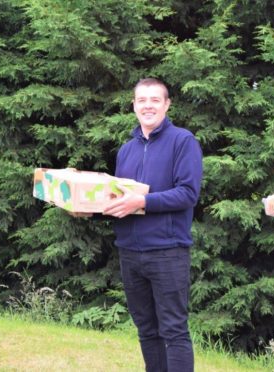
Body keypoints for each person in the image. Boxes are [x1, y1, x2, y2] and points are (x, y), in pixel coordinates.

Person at [102, 78, 203, 372]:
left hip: (167, 251)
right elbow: (120, 201)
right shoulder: (126, 150)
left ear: (167, 105)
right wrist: (86, 210)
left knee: (173, 330)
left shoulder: (183, 141)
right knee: (146, 329)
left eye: (155, 100)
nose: (148, 105)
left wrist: (142, 203)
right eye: (141, 100)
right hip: (130, 253)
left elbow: (187, 193)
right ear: (133, 105)